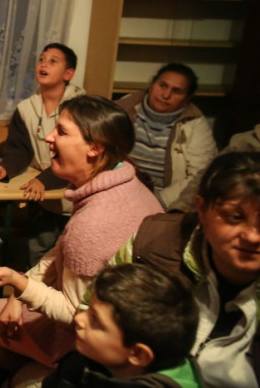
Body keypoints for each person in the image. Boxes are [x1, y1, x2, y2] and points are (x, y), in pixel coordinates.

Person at [0, 95, 163, 388]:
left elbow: (75, 312)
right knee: (8, 347)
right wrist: (17, 295)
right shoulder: (126, 184)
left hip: (95, 347)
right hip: (116, 334)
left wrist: (18, 283)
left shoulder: (96, 221)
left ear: (95, 148)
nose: (48, 137)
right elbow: (60, 250)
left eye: (62, 132)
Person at [110, 151, 260, 387]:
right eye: (235, 217)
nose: (252, 236)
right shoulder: (153, 243)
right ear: (201, 209)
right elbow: (93, 308)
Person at [0, 42, 85, 266]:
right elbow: (19, 149)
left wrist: (43, 180)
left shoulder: (82, 108)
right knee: (39, 251)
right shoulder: (26, 108)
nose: (43, 64)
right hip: (44, 199)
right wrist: (5, 169)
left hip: (77, 196)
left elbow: (76, 157)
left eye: (53, 61)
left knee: (73, 256)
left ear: (68, 74)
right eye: (41, 59)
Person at [43, 264, 202, 387]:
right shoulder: (89, 359)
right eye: (88, 310)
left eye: (95, 320)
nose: (79, 319)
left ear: (138, 354)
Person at [116, 62, 217, 209]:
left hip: (164, 200)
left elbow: (200, 175)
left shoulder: (195, 124)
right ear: (152, 85)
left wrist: (158, 201)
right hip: (118, 189)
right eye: (162, 86)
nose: (166, 95)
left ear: (187, 98)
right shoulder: (124, 108)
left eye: (177, 91)